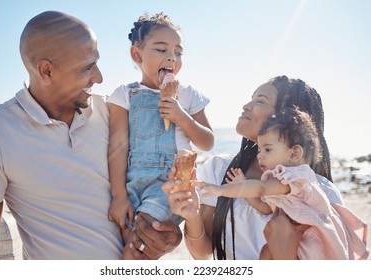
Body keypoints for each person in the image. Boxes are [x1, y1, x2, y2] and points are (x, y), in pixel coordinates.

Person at [0, 10, 182, 260]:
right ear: (46, 71)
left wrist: (170, 235)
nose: (99, 77)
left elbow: (156, 179)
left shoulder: (115, 113)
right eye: (87, 67)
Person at [163, 75, 347, 260]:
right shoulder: (221, 169)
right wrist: (192, 216)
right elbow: (201, 253)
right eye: (251, 98)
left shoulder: (319, 193)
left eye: (260, 100)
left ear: (288, 118)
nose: (246, 106)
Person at [193, 107, 369, 259]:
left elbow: (260, 189)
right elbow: (265, 207)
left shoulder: (296, 177)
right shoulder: (281, 180)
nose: (260, 155)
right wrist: (247, 195)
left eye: (268, 149)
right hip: (290, 239)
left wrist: (221, 189)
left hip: (312, 241)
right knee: (265, 254)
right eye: (260, 149)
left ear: (294, 154)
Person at [106, 12, 214, 259]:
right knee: (128, 236)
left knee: (140, 240)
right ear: (137, 55)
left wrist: (182, 117)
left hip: (170, 183)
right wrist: (119, 195)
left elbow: (207, 142)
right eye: (161, 49)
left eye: (178, 52)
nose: (171, 57)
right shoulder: (124, 95)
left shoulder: (189, 95)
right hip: (133, 180)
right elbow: (118, 146)